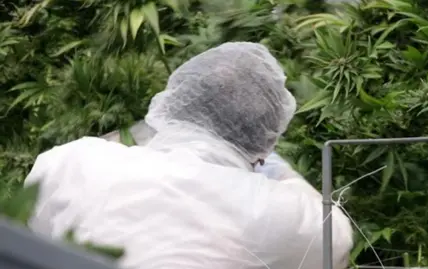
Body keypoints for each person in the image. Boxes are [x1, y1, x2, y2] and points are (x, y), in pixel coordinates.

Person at [23, 42, 353, 269]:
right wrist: (280, 170)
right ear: (265, 142)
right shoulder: (270, 204)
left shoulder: (70, 160)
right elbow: (335, 240)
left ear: (170, 102)